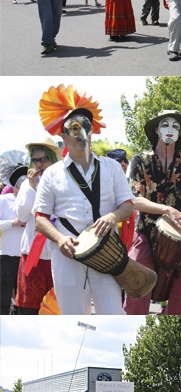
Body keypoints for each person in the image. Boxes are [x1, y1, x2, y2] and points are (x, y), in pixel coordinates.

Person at [33, 84, 134, 314]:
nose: (81, 133)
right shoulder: (52, 173)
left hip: (107, 255)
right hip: (68, 258)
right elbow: (40, 218)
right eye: (74, 127)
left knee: (113, 315)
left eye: (86, 126)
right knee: (73, 318)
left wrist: (113, 216)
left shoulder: (111, 167)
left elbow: (128, 205)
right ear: (63, 134)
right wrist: (59, 239)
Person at [124, 109, 181, 315]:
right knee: (137, 288)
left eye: (175, 126)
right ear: (156, 130)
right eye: (165, 125)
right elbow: (135, 199)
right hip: (146, 231)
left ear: (180, 133)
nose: (170, 130)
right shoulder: (140, 160)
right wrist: (166, 210)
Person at [14, 137, 62, 314]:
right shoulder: (27, 183)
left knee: (56, 307)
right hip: (33, 253)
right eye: (35, 160)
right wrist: (31, 187)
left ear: (52, 160)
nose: (39, 164)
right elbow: (22, 215)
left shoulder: (62, 182)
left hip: (58, 252)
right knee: (29, 306)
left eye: (43, 160)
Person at [0, 161, 27, 314]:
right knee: (3, 297)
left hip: (27, 258)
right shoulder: (4, 200)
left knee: (23, 300)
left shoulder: (32, 202)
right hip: (6, 257)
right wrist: (13, 223)